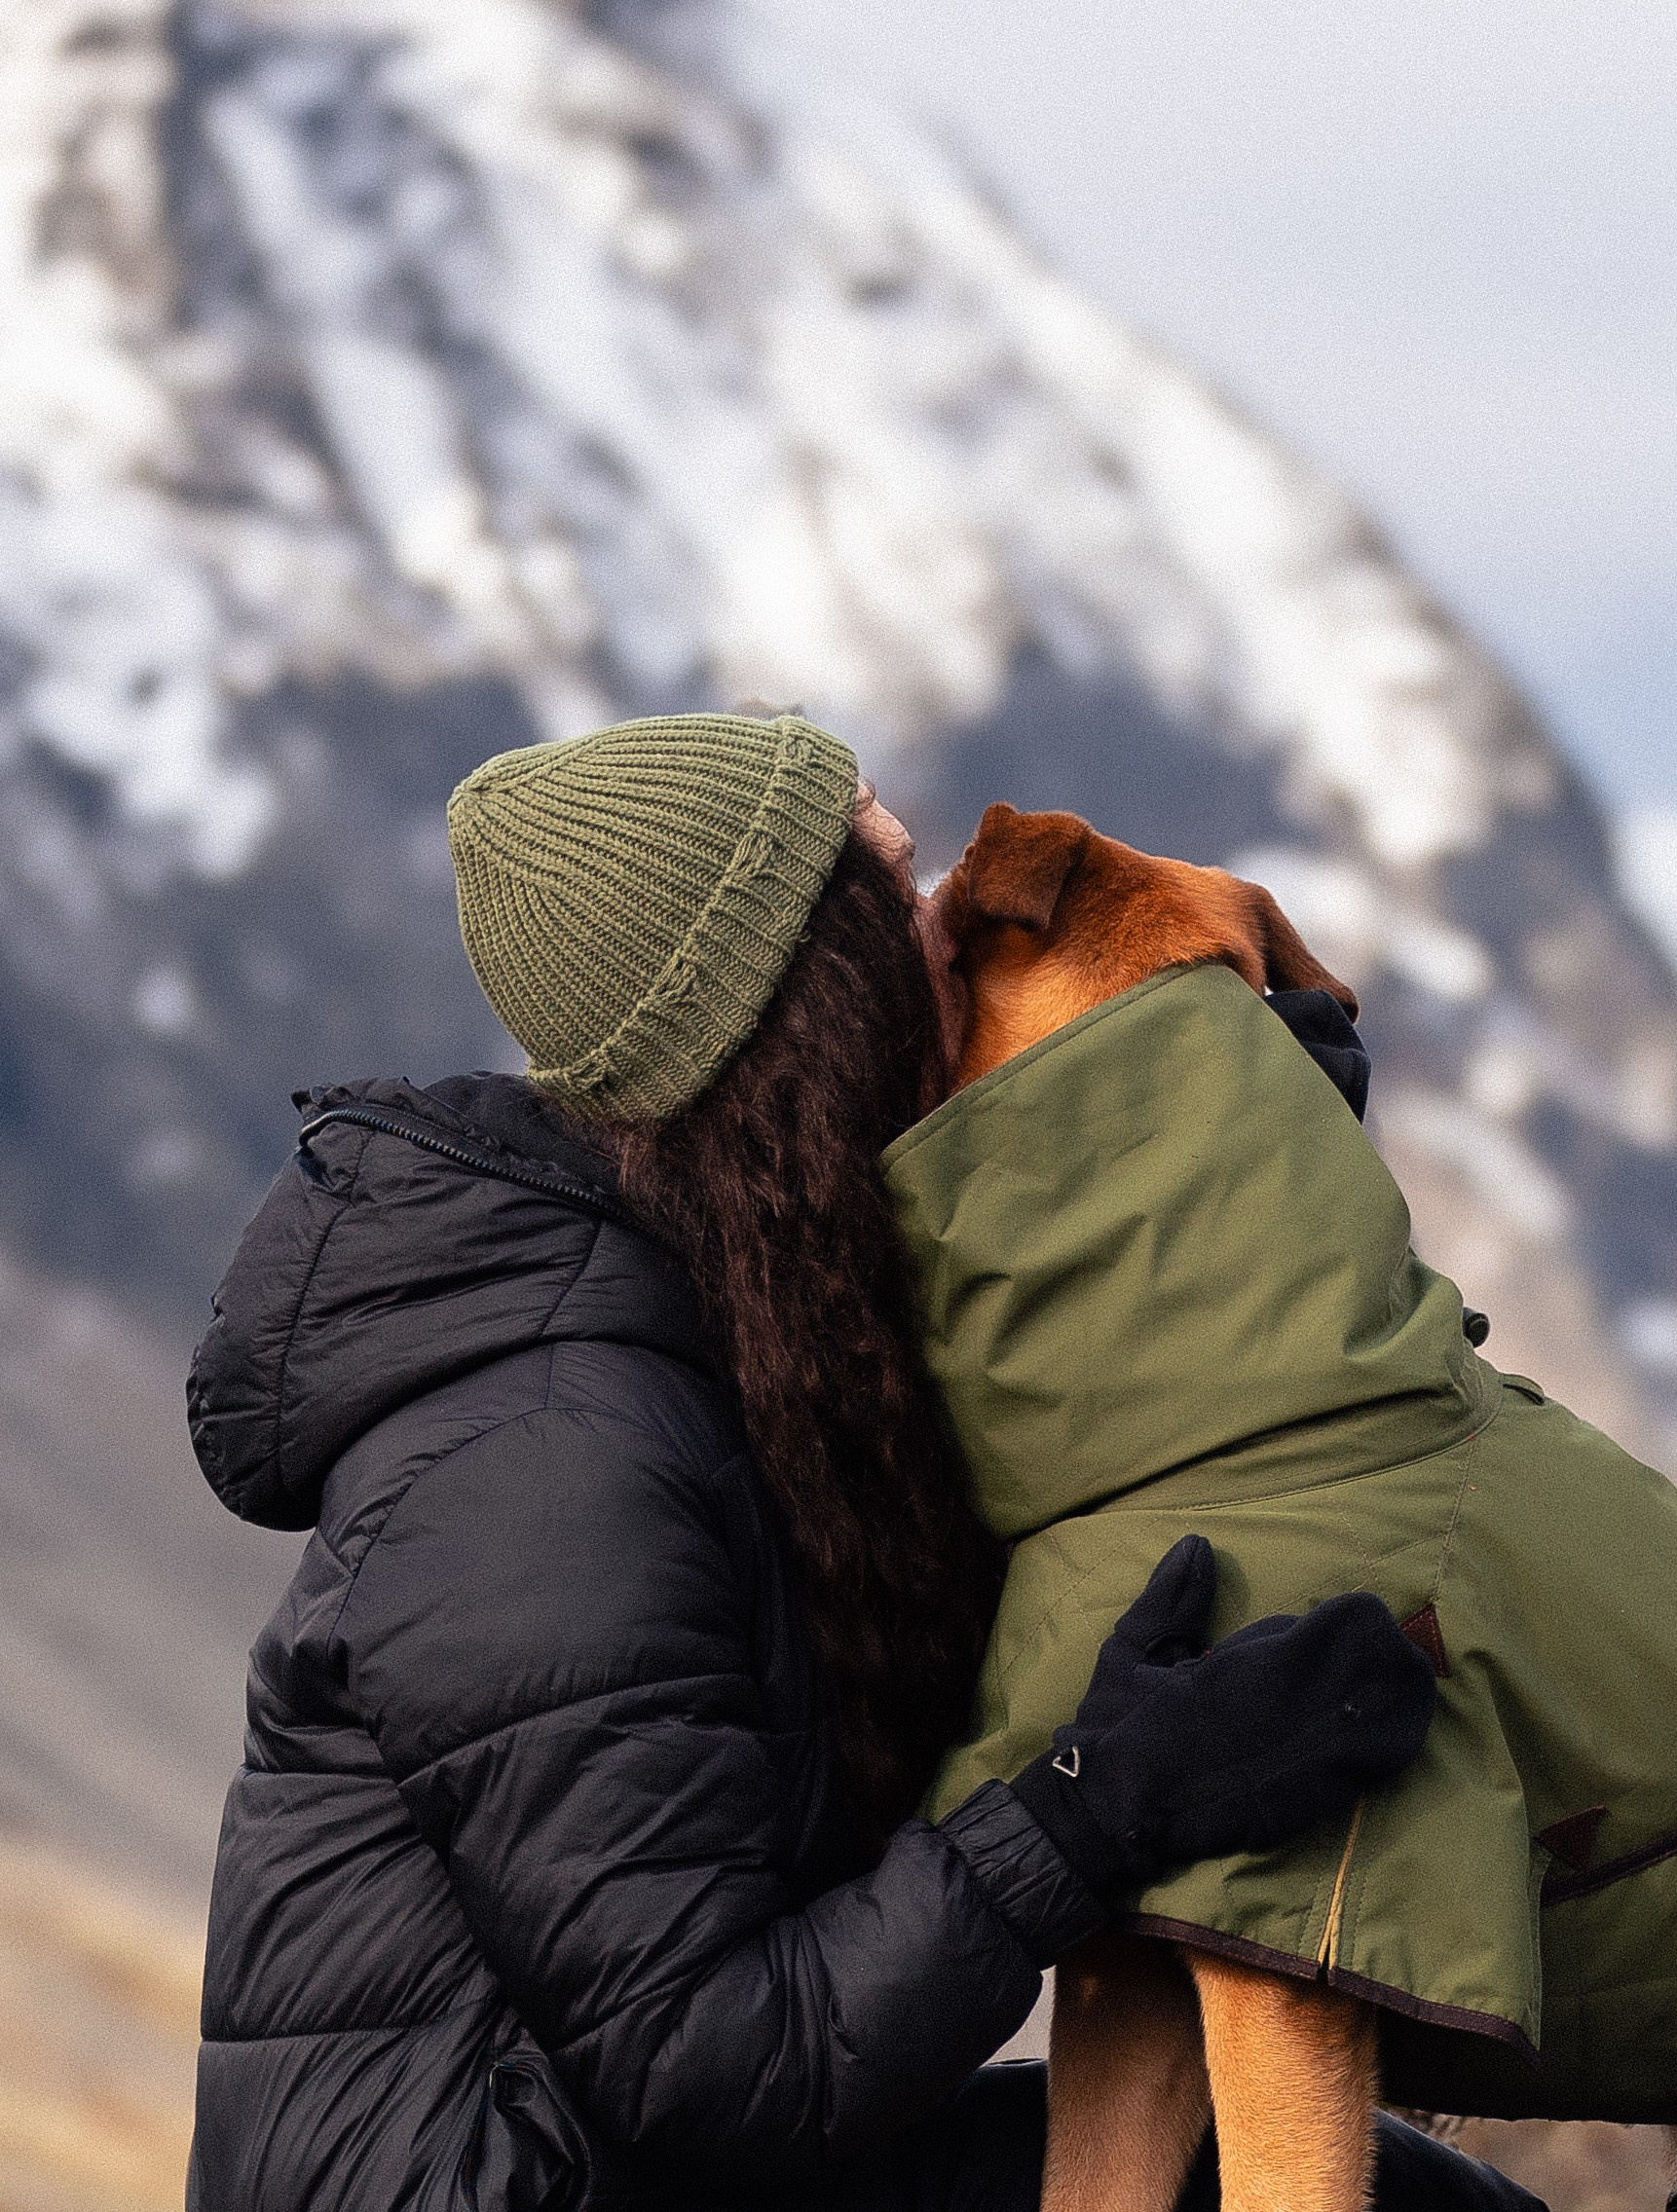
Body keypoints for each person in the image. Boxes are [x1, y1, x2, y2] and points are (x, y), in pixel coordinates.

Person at [186, 711, 1546, 2211]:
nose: (948, 914)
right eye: (893, 885)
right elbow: (715, 2059)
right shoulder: (548, 1456)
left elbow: (1010, 1539)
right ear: (804, 992)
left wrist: (1232, 1158)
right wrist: (1100, 1803)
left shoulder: (756, 1310)